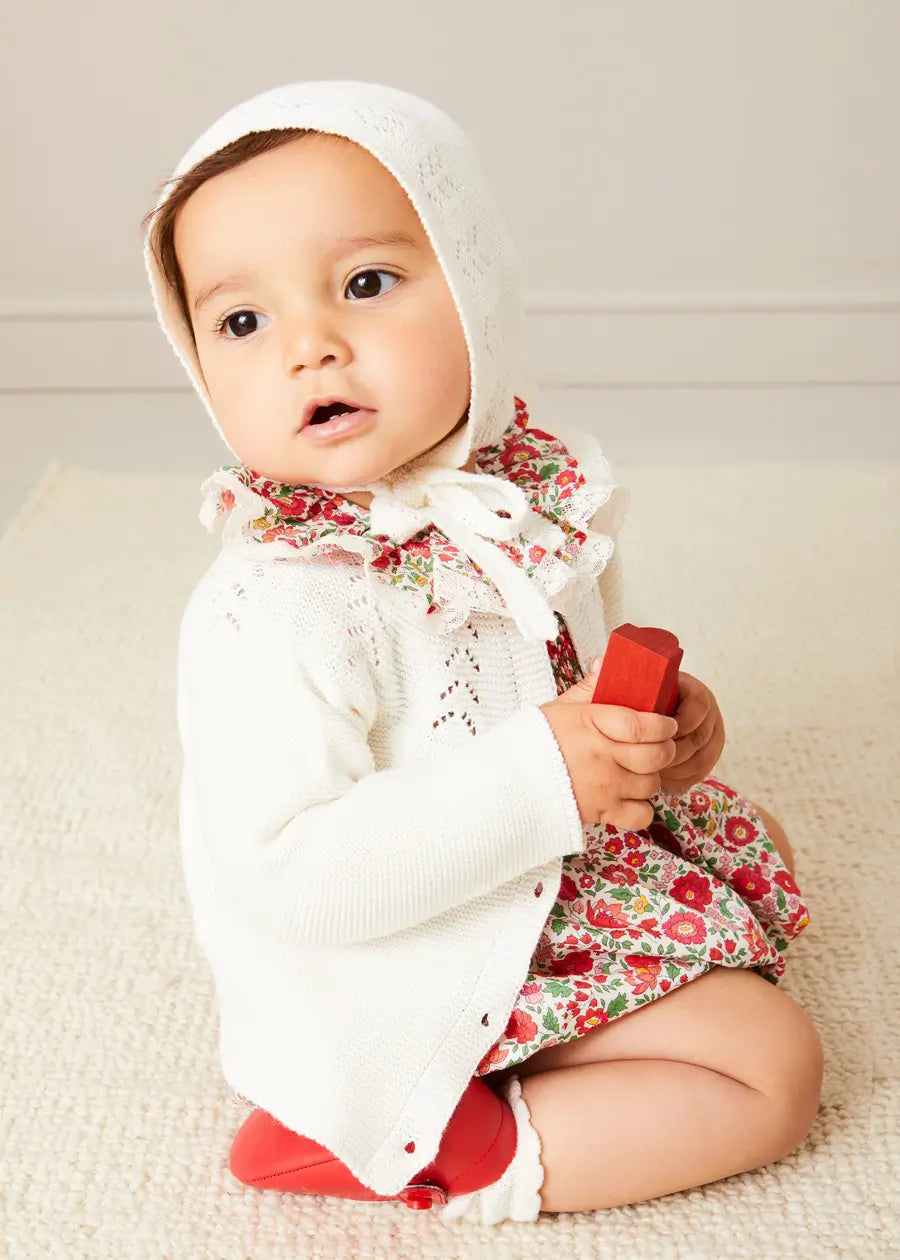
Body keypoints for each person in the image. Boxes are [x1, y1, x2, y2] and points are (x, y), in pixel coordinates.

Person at [141, 79, 822, 1226]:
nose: (310, 347)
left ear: (475, 290)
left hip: (531, 844)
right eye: (243, 322)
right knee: (769, 1067)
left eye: (365, 284)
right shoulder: (274, 605)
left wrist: (655, 729)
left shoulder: (516, 497)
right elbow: (291, 877)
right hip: (396, 937)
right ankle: (425, 1141)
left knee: (760, 855)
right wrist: (544, 773)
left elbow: (564, 673)